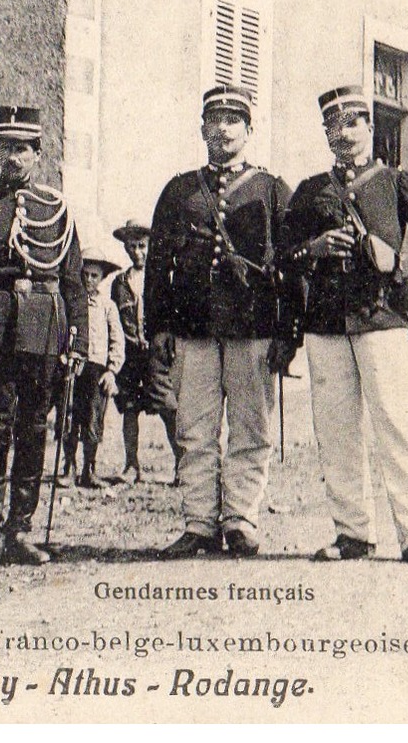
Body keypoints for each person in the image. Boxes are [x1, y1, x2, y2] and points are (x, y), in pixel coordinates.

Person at [280, 85, 408, 567]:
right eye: (333, 128)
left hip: (382, 319)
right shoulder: (310, 190)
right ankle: (353, 534)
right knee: (337, 431)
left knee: (397, 426)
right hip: (325, 325)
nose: (344, 135)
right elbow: (283, 255)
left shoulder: (396, 183)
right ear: (326, 134)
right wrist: (312, 250)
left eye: (353, 124)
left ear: (370, 128)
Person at [146, 86, 294, 559]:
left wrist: (286, 332)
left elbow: (291, 266)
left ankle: (241, 519)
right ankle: (199, 524)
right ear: (202, 128)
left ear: (250, 130)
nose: (223, 128)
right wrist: (160, 326)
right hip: (194, 326)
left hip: (253, 327)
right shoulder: (179, 191)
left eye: (234, 119)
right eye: (215, 119)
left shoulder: (272, 191)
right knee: (194, 429)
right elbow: (157, 264)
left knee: (251, 429)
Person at [0, 106, 86, 570]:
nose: (13, 157)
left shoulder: (57, 210)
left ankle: (21, 530)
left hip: (46, 331)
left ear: (38, 153)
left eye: (23, 149)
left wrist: (80, 343)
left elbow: (73, 282)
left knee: (34, 426)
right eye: (6, 147)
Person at [109, 218, 181, 484]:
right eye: (132, 247)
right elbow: (116, 321)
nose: (137, 252)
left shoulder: (161, 279)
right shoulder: (120, 283)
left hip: (156, 355)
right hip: (130, 355)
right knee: (129, 406)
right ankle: (131, 465)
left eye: (142, 246)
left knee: (167, 406)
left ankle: (181, 465)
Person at [62, 257, 123, 489]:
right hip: (75, 366)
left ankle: (90, 469)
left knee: (93, 419)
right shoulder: (72, 304)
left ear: (101, 278)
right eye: (85, 274)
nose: (88, 279)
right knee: (69, 417)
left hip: (97, 370)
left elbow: (117, 341)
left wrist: (112, 370)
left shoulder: (108, 306)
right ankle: (69, 468)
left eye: (94, 276)